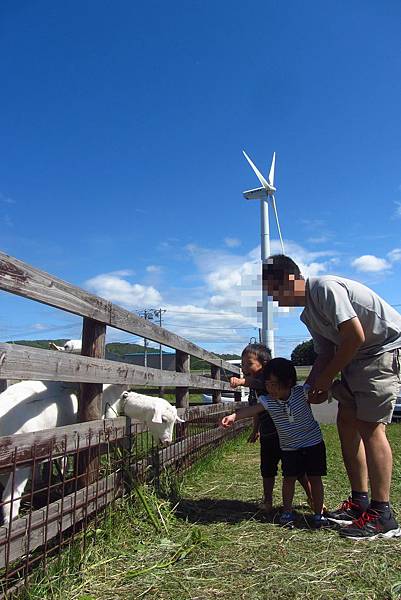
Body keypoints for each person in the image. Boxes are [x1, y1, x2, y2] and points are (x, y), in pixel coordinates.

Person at [263, 254, 401, 540]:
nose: (275, 301)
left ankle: (382, 513)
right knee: (346, 422)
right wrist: (312, 384)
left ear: (290, 280)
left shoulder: (324, 289)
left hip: (380, 350)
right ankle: (360, 502)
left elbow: (354, 336)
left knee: (370, 426)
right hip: (356, 356)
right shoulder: (307, 314)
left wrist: (326, 379)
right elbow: (325, 352)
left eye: (275, 292)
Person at [223, 357, 328, 528]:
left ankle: (318, 514)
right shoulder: (268, 401)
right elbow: (252, 409)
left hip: (313, 443)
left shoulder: (301, 392)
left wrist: (326, 392)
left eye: (274, 384)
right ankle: (287, 512)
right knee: (289, 479)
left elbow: (318, 396)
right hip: (289, 447)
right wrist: (234, 416)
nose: (269, 388)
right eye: (267, 384)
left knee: (315, 478)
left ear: (288, 382)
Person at [230, 343, 313, 513]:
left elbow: (256, 382)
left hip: (285, 433)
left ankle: (312, 497)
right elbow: (257, 410)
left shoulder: (266, 382)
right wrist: (256, 429)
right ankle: (268, 501)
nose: (244, 367)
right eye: (243, 364)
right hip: (268, 434)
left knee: (297, 469)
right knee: (267, 469)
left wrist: (241, 381)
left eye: (249, 363)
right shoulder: (255, 390)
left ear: (264, 364)